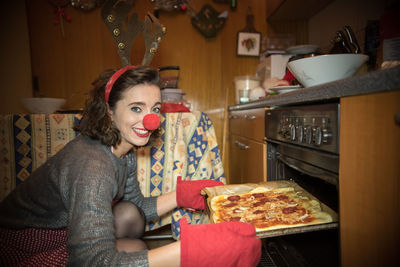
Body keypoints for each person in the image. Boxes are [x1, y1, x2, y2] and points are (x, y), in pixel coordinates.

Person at [0, 66, 261, 266]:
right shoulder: (92, 166)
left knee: (129, 213)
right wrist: (189, 252)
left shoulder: (124, 150)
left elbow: (137, 206)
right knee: (137, 251)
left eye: (155, 108)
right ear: (109, 111)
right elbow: (91, 262)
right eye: (136, 108)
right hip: (22, 244)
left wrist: (182, 195)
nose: (150, 120)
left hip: (63, 228)